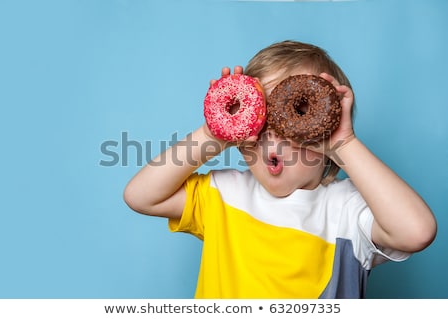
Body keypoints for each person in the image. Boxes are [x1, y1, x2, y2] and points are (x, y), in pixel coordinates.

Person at [123, 40, 437, 298]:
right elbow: (141, 196)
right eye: (260, 118)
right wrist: (212, 135)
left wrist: (345, 144)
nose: (273, 133)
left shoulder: (347, 212)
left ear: (326, 129)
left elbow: (417, 232)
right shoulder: (224, 195)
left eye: (298, 114)